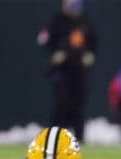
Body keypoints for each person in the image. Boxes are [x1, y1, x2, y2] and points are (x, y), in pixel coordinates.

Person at [37, 0, 98, 141]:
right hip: (62, 71)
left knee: (78, 105)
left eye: (77, 5)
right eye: (71, 5)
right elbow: (43, 39)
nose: (75, 9)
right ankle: (54, 138)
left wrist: (90, 54)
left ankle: (79, 138)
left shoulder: (85, 21)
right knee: (61, 104)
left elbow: (94, 41)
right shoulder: (56, 21)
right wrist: (54, 54)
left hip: (80, 70)